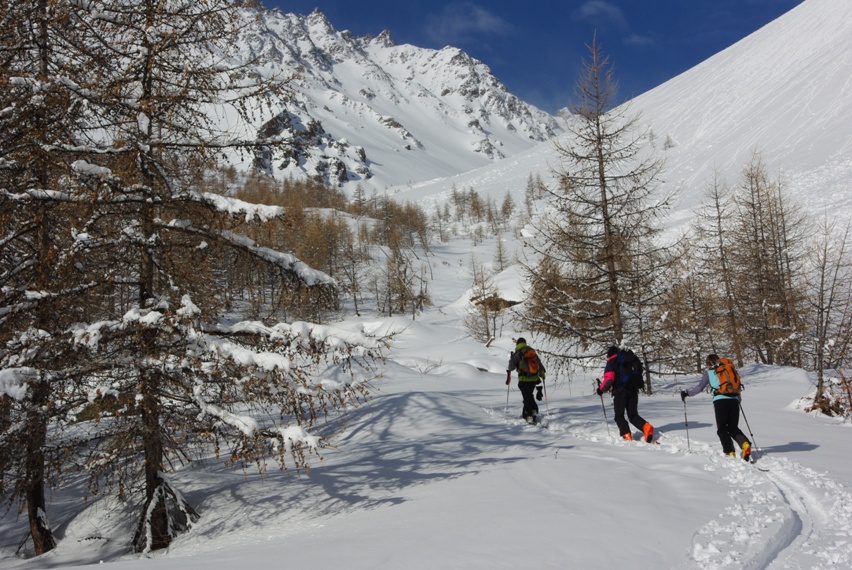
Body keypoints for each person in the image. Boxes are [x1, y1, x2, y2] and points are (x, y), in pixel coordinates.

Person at [681, 354, 751, 460]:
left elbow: (699, 388)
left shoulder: (709, 373)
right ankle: (745, 444)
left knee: (722, 429)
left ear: (708, 363)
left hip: (720, 402)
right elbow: (735, 386)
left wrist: (687, 393)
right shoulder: (729, 370)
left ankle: (730, 452)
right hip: (734, 401)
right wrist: (738, 400)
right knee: (733, 428)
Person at [596, 346, 654, 442]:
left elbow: (609, 379)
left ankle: (626, 435)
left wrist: (601, 389)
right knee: (633, 415)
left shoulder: (612, 362)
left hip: (620, 392)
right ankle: (647, 427)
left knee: (619, 416)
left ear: (609, 355)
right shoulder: (629, 359)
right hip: (633, 390)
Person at [506, 337, 546, 423]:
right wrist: (542, 374)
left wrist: (511, 359)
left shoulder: (518, 353)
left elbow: (511, 367)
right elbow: (539, 364)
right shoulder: (532, 352)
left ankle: (529, 415)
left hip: (524, 379)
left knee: (527, 397)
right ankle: (533, 411)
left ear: (517, 344)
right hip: (534, 379)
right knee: (529, 395)